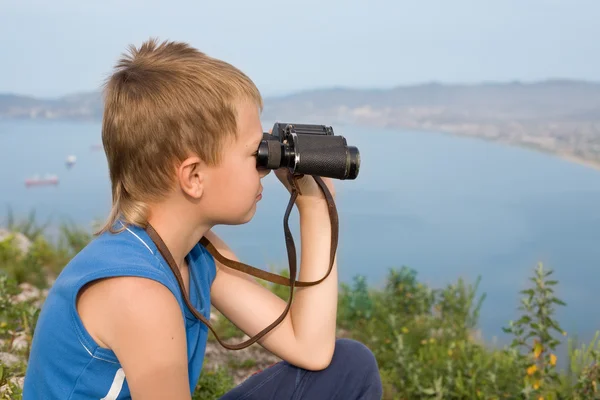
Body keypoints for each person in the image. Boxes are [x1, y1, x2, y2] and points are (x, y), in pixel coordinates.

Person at [22, 38, 383, 400]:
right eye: (254, 153)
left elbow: (310, 348)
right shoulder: (137, 293)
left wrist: (316, 208)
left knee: (350, 366)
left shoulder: (196, 253)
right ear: (194, 177)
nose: (265, 167)